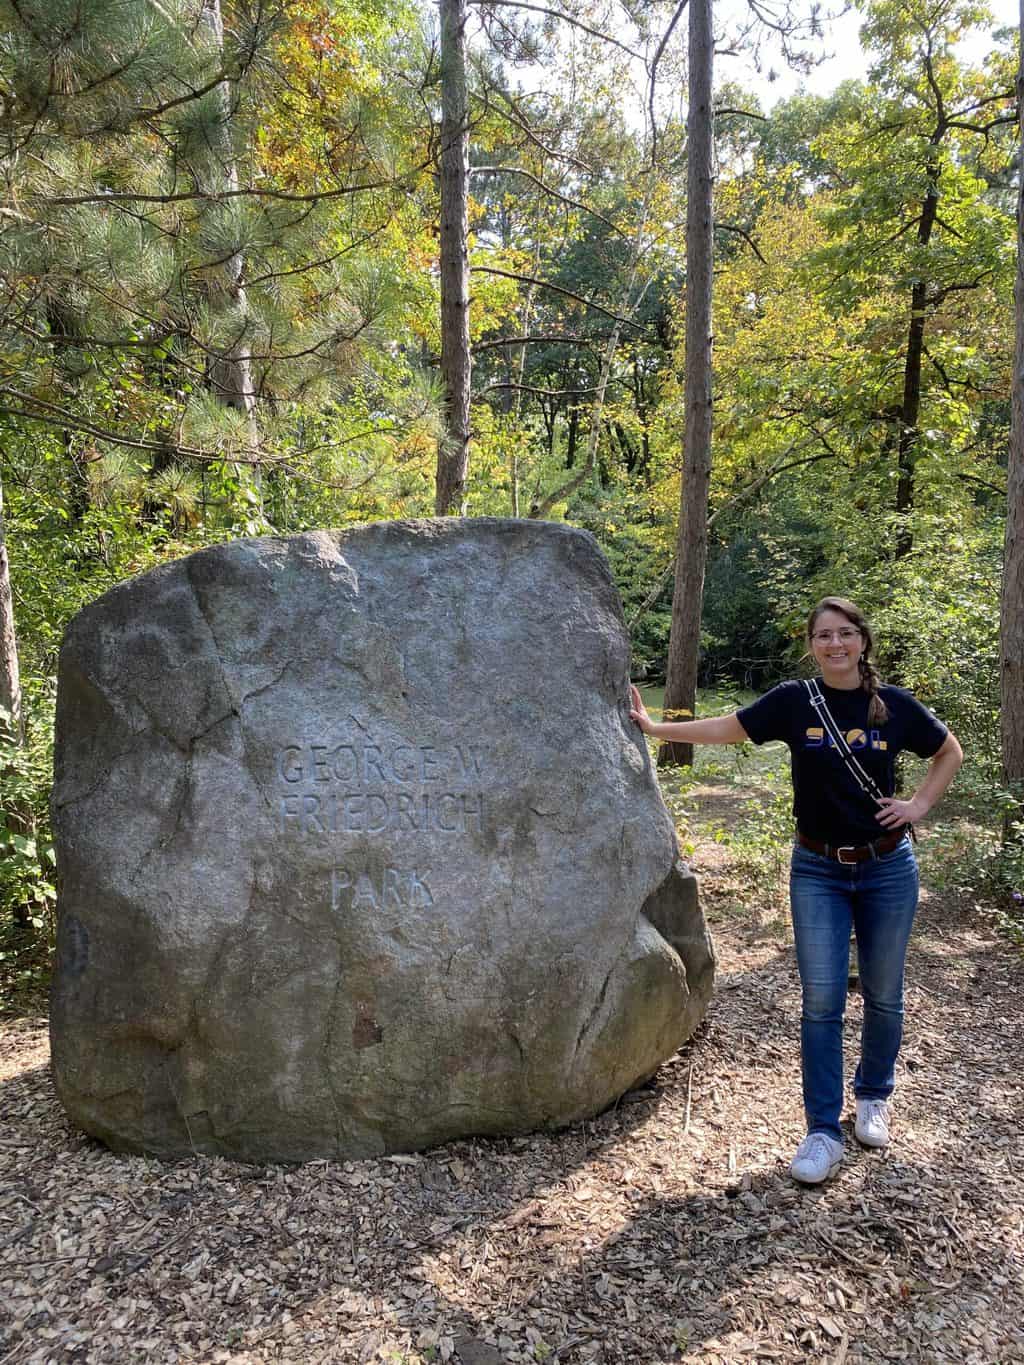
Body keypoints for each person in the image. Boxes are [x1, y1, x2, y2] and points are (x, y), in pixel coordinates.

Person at [629, 596, 963, 1185]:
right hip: (817, 870)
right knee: (821, 1001)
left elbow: (947, 751)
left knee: (884, 993)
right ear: (812, 645)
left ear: (863, 640)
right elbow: (729, 728)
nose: (835, 645)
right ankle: (822, 1131)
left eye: (845, 634)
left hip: (887, 868)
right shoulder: (794, 702)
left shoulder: (893, 707)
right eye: (823, 636)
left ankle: (873, 1096)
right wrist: (657, 726)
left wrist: (919, 805)